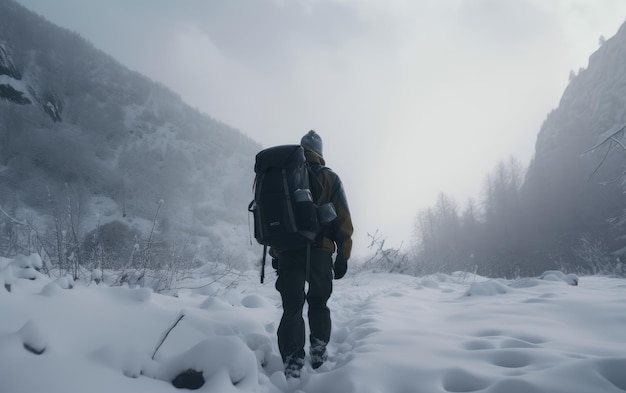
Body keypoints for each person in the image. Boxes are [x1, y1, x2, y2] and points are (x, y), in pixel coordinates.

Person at [272, 130, 354, 378]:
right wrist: (343, 256)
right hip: (320, 251)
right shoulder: (330, 177)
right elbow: (343, 221)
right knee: (318, 304)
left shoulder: (284, 176)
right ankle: (318, 353)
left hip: (287, 251)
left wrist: (277, 253)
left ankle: (293, 363)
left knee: (292, 308)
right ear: (320, 151)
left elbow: (277, 217)